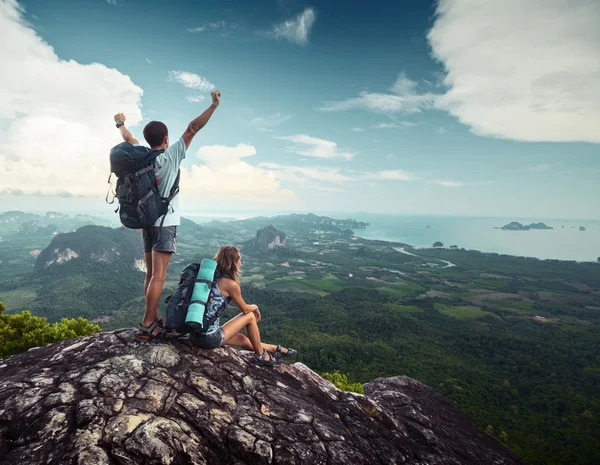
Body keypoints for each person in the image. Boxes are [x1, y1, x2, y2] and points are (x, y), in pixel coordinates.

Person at [113, 90, 221, 340]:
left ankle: (151, 317)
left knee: (151, 275)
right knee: (158, 276)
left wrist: (120, 123)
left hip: (147, 222)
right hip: (165, 223)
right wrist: (213, 106)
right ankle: (148, 322)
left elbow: (128, 138)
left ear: (147, 139)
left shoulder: (142, 158)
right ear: (166, 138)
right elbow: (193, 128)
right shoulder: (170, 155)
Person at [191, 245, 297, 365]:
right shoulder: (230, 284)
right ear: (234, 262)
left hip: (194, 335)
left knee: (242, 339)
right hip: (208, 338)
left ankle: (275, 349)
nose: (240, 262)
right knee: (250, 316)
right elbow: (245, 309)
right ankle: (261, 356)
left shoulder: (208, 278)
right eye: (239, 259)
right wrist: (255, 306)